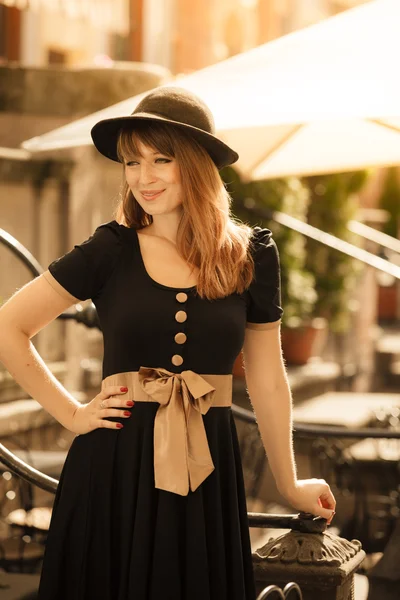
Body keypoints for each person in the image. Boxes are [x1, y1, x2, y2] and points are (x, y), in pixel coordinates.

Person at [0, 86, 335, 600]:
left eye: (161, 159)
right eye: (132, 162)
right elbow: (9, 326)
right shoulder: (108, 249)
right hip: (113, 469)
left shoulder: (251, 257)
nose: (144, 177)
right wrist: (71, 414)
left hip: (208, 478)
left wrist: (290, 485)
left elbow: (268, 379)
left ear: (197, 164)